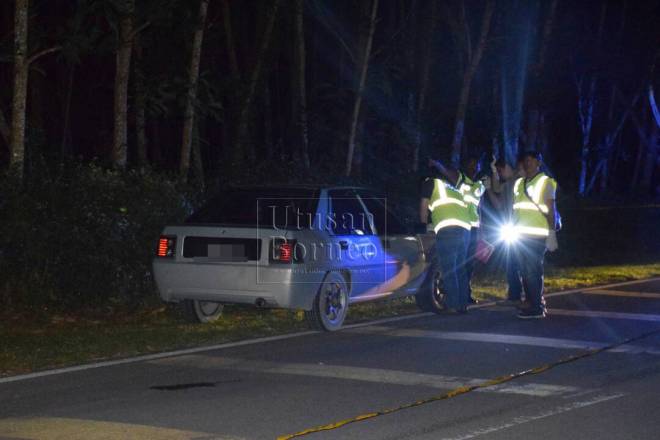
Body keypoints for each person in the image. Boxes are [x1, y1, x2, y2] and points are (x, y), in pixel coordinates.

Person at [420, 158, 472, 314]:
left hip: (448, 228)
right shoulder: (452, 188)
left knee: (448, 267)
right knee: (460, 268)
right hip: (465, 229)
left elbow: (424, 205)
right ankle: (463, 305)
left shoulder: (429, 183)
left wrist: (423, 226)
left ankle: (452, 305)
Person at [511, 151, 558, 319]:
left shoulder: (545, 182)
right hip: (520, 235)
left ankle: (536, 307)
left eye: (530, 160)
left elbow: (550, 209)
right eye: (525, 160)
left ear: (539, 162)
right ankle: (532, 301)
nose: (527, 163)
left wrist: (551, 233)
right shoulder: (519, 184)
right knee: (525, 270)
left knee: (532, 270)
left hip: (537, 235)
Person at [487, 158, 524, 306]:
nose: (500, 175)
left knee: (524, 265)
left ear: (508, 166)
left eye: (501, 171)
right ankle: (514, 296)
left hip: (524, 229)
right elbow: (499, 203)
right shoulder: (508, 184)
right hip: (512, 229)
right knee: (511, 264)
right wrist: (489, 187)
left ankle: (530, 298)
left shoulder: (520, 180)